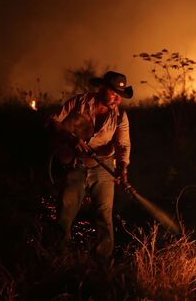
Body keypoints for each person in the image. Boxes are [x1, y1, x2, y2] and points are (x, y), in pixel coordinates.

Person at [48, 71, 133, 258]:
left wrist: (122, 168)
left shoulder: (120, 116)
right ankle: (58, 255)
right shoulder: (79, 102)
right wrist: (70, 138)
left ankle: (102, 260)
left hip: (103, 166)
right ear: (102, 88)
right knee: (65, 211)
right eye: (113, 93)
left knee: (104, 215)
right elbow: (53, 120)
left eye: (120, 95)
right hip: (76, 163)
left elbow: (123, 144)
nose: (117, 99)